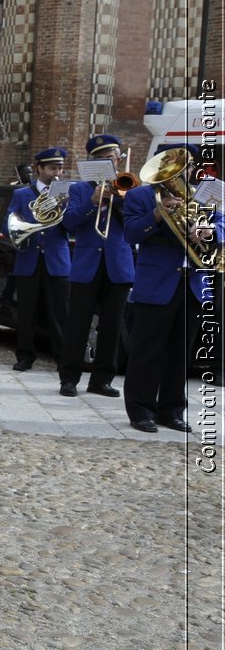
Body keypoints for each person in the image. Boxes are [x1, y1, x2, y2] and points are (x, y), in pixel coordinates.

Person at [121, 148, 220, 433]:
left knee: (180, 352)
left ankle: (172, 410)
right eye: (178, 167)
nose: (183, 173)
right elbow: (131, 233)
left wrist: (207, 230)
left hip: (190, 283)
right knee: (147, 350)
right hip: (156, 282)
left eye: (187, 167)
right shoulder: (140, 196)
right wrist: (158, 214)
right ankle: (140, 410)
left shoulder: (202, 194)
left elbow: (222, 223)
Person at [59, 134, 133, 398]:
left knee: (112, 326)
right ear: (92, 162)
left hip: (118, 265)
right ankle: (69, 378)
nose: (107, 162)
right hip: (87, 264)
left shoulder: (129, 187)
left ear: (118, 159)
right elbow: (68, 223)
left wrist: (120, 196)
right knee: (78, 325)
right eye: (100, 159)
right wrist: (93, 202)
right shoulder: (79, 189)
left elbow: (134, 224)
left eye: (110, 158)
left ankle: (102, 380)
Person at [5, 148, 71, 372]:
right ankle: (24, 356)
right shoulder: (22, 195)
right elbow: (10, 226)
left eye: (60, 168)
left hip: (57, 260)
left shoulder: (66, 193)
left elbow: (71, 227)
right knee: (27, 312)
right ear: (39, 169)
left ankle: (63, 358)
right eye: (52, 168)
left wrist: (65, 206)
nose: (57, 173)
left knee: (59, 313)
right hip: (29, 259)